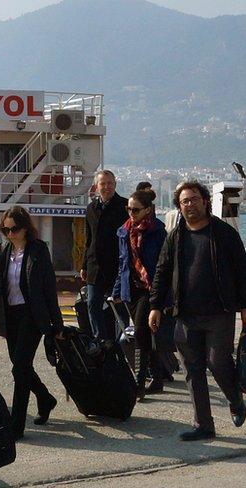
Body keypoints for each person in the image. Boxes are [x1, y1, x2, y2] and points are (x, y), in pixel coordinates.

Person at [148, 181, 246, 441]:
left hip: (219, 312)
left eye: (194, 199)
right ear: (179, 206)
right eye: (185, 201)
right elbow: (162, 271)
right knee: (193, 371)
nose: (190, 205)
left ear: (205, 201)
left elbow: (243, 269)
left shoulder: (223, 233)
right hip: (185, 314)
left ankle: (234, 398)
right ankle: (204, 425)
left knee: (218, 363)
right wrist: (155, 306)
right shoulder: (175, 237)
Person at [0, 206, 62, 439]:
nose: (10, 234)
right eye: (6, 230)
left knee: (20, 368)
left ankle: (16, 426)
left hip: (32, 317)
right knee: (21, 367)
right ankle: (45, 399)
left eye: (14, 229)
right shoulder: (1, 257)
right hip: (10, 318)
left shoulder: (38, 251)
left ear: (25, 228)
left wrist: (58, 325)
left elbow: (49, 289)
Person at [111, 188, 168, 398]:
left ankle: (139, 382)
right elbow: (123, 263)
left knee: (141, 333)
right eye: (129, 209)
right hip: (131, 288)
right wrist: (117, 290)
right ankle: (158, 378)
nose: (131, 214)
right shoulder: (123, 231)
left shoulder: (157, 231)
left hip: (150, 289)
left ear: (148, 210)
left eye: (136, 210)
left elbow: (164, 263)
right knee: (146, 334)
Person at [81, 169, 129, 339]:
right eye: (103, 183)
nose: (107, 187)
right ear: (96, 186)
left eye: (110, 183)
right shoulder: (91, 208)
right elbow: (89, 239)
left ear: (115, 185)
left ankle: (121, 342)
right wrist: (84, 265)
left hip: (117, 266)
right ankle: (99, 340)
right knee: (93, 304)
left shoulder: (125, 207)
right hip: (95, 266)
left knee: (120, 307)